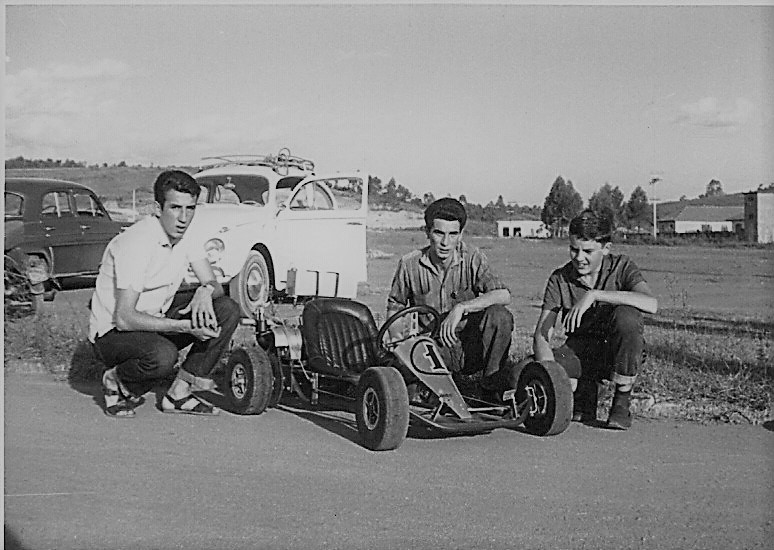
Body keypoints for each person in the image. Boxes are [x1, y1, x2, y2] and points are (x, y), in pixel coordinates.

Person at [89, 170, 240, 417]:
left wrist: (204, 290)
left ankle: (179, 394)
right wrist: (184, 327)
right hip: (113, 333)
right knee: (162, 355)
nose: (183, 218)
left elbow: (215, 284)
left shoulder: (186, 235)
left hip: (153, 319)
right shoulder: (137, 242)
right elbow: (125, 318)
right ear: (158, 208)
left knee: (226, 309)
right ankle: (115, 380)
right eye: (175, 208)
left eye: (190, 209)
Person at [533, 210, 658, 430]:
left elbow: (651, 303)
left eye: (588, 251)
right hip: (580, 351)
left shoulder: (622, 267)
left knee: (627, 316)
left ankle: (622, 400)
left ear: (606, 249)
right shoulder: (559, 278)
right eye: (574, 249)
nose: (579, 258)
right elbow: (543, 334)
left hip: (618, 352)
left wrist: (595, 295)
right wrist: (551, 376)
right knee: (525, 373)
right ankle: (586, 391)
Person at [387, 197, 513, 399]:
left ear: (460, 234)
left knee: (500, 316)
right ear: (428, 232)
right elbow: (396, 306)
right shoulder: (409, 264)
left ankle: (491, 389)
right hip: (432, 350)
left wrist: (462, 308)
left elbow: (503, 294)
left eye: (453, 234)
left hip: (471, 346)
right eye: (439, 233)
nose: (446, 243)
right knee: (406, 393)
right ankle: (425, 392)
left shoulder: (473, 257)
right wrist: (397, 341)